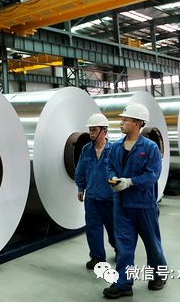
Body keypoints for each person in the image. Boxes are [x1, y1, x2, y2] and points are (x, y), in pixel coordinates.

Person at [103, 103, 167, 299]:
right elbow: (109, 167)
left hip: (143, 205)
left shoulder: (150, 147)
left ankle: (158, 274)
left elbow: (153, 175)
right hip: (121, 205)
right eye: (122, 120)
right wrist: (113, 179)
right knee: (124, 246)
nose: (121, 123)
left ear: (137, 123)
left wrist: (130, 182)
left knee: (152, 243)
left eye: (125, 120)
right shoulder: (115, 147)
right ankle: (123, 283)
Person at [75, 113, 116, 270]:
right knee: (93, 228)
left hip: (109, 197)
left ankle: (119, 248)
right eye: (90, 130)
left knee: (113, 227)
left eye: (94, 130)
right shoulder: (86, 150)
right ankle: (97, 257)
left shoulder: (114, 150)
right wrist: (81, 187)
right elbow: (81, 170)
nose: (91, 133)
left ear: (104, 131)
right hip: (91, 197)